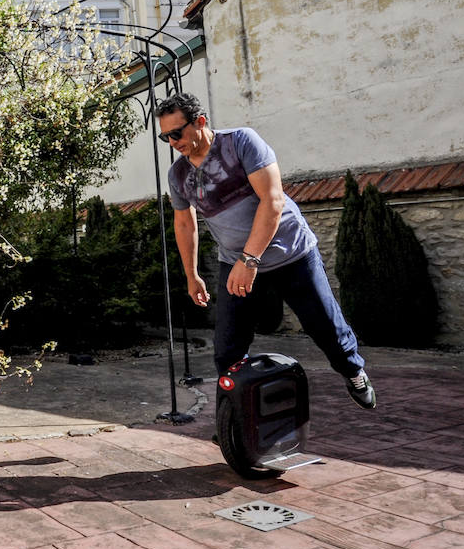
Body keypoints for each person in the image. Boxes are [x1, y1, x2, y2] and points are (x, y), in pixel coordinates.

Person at [155, 92, 375, 409]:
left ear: (200, 122)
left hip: (291, 253)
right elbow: (185, 225)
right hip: (235, 262)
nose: (172, 141)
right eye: (166, 137)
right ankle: (232, 416)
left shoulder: (241, 142)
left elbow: (273, 200)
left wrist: (250, 258)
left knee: (325, 327)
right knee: (227, 348)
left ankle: (353, 371)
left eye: (177, 132)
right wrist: (192, 275)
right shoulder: (178, 175)